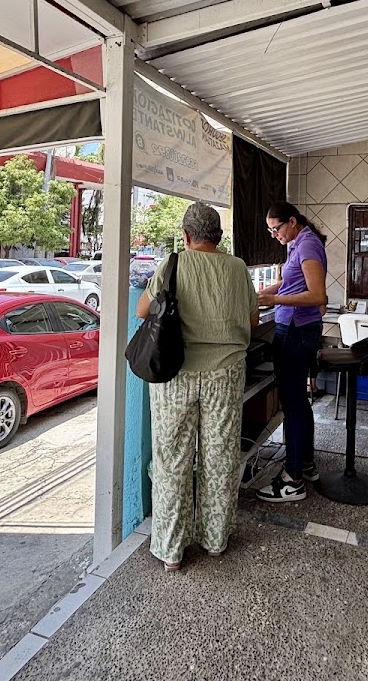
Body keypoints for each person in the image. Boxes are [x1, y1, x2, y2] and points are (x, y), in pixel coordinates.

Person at [136, 203, 258, 571]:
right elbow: (252, 319)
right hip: (226, 374)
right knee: (220, 456)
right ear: (218, 236)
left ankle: (171, 549)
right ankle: (215, 540)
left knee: (172, 459)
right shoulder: (237, 268)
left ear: (186, 236)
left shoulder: (173, 264)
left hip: (177, 374)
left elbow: (143, 310)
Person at [255, 201, 328, 503]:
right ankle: (305, 463)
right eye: (270, 231)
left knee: (293, 404)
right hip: (297, 328)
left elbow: (317, 295)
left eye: (277, 229)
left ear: (293, 222)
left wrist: (275, 302)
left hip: (297, 331)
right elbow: (289, 282)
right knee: (299, 401)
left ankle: (293, 479)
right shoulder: (298, 243)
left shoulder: (307, 245)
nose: (275, 235)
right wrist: (263, 293)